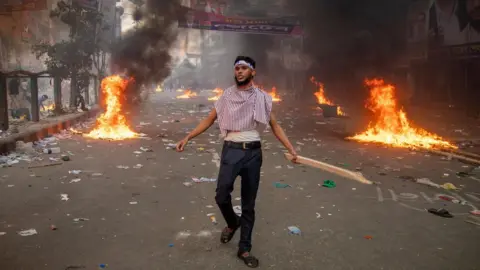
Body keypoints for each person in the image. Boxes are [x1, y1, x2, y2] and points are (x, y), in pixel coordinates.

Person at [176, 56, 297, 268]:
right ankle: (233, 223)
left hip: (253, 153)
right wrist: (188, 137)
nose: (239, 72)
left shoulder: (262, 98)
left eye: (243, 68)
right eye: (237, 69)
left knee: (248, 204)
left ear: (253, 72)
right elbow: (209, 119)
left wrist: (291, 148)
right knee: (222, 195)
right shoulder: (226, 96)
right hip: (231, 150)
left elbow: (275, 125)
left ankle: (244, 248)